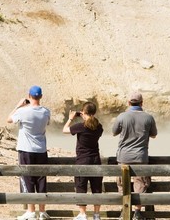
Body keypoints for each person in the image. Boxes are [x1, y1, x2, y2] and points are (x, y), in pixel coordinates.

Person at [7, 85, 51, 220]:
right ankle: (42, 211)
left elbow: (9, 119)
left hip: (26, 149)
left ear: (29, 96)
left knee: (27, 179)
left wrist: (18, 105)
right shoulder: (46, 112)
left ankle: (31, 211)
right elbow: (47, 123)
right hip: (41, 150)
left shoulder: (23, 111)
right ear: (41, 96)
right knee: (41, 179)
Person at [112, 92, 157, 220]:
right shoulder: (148, 117)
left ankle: (125, 210)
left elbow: (114, 132)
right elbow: (153, 135)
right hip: (140, 156)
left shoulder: (122, 116)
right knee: (141, 184)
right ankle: (137, 212)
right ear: (142, 103)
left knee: (122, 184)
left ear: (128, 103)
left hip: (123, 156)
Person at [63, 102, 104, 220]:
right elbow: (93, 125)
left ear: (83, 112)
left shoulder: (81, 126)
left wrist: (70, 119)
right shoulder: (99, 127)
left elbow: (64, 130)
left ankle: (82, 214)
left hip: (82, 160)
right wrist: (85, 116)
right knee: (96, 188)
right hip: (96, 160)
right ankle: (96, 214)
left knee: (81, 186)